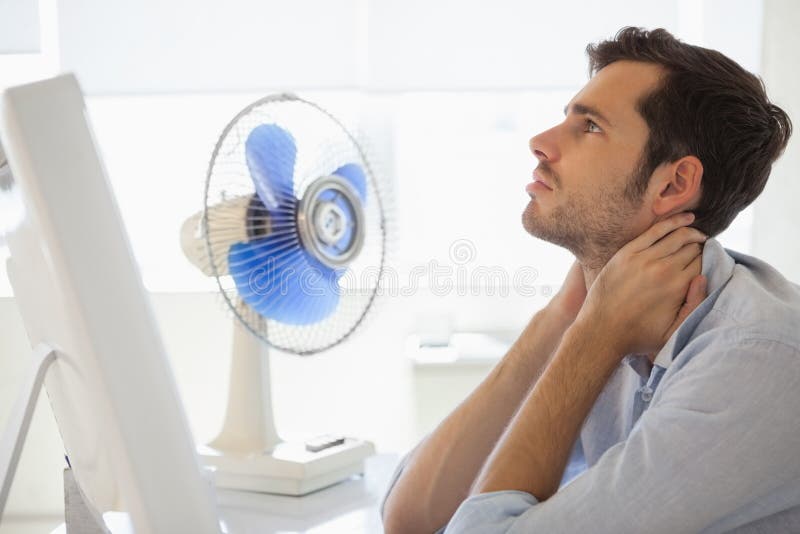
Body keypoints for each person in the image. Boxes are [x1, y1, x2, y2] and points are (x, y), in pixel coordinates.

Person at [381, 27, 799, 533]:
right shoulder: (613, 306)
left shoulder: (759, 357)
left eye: (591, 127)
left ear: (673, 184)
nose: (540, 143)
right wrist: (562, 317)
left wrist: (591, 339)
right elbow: (412, 520)